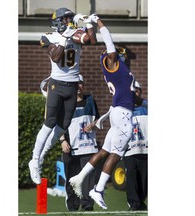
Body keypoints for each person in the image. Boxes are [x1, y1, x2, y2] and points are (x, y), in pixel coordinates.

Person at [69, 15, 138, 210]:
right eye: (117, 54)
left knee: (105, 151)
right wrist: (98, 21)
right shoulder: (113, 64)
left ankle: (79, 178)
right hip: (123, 114)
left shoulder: (117, 69)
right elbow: (108, 39)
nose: (120, 55)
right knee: (116, 155)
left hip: (118, 111)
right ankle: (97, 190)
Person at [28, 8, 97, 185]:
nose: (70, 22)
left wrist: (88, 22)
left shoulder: (73, 33)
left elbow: (90, 40)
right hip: (56, 85)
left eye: (70, 19)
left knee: (63, 125)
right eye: (66, 19)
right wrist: (65, 38)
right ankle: (35, 160)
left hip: (72, 86)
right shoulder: (49, 36)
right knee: (49, 122)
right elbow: (57, 56)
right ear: (58, 21)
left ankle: (42, 155)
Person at [61, 74, 100, 211]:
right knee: (71, 179)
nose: (78, 86)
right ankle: (72, 206)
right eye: (75, 84)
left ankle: (87, 206)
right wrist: (62, 141)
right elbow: (58, 125)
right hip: (70, 147)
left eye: (80, 83)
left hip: (88, 147)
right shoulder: (65, 104)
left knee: (88, 179)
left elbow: (98, 120)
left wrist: (94, 124)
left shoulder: (90, 101)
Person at [123, 81, 148, 211]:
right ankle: (134, 204)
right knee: (132, 178)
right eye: (133, 90)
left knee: (145, 180)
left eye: (137, 90)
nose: (135, 92)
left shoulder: (147, 106)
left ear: (140, 92)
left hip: (146, 150)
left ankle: (141, 201)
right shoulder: (123, 109)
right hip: (129, 150)